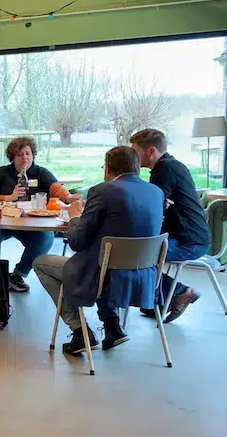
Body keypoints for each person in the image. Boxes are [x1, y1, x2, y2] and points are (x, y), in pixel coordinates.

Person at [33, 147, 164, 355]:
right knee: (107, 259)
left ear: (108, 169)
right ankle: (112, 325)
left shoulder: (102, 191)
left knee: (40, 262)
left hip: (102, 273)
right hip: (144, 273)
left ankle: (79, 331)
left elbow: (76, 242)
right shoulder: (156, 192)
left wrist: (75, 217)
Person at [130, 129, 211, 322]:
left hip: (188, 241)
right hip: (193, 237)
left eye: (135, 151)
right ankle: (159, 302)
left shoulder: (163, 170)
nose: (132, 156)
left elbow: (155, 209)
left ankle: (182, 291)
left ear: (151, 151)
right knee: (139, 253)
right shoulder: (172, 165)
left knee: (136, 257)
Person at [0, 136, 79, 293]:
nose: (24, 158)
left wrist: (67, 197)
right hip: (5, 222)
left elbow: (56, 188)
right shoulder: (3, 172)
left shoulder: (41, 173)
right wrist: (8, 198)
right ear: (12, 157)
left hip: (32, 223)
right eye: (20, 155)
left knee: (46, 238)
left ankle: (17, 275)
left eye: (28, 153)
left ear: (33, 155)